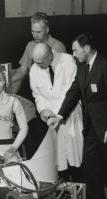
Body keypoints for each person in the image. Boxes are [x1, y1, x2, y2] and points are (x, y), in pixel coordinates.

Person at [48, 32, 107, 199]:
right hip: (91, 129)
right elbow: (73, 93)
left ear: (87, 48)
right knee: (90, 168)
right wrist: (59, 115)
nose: (73, 54)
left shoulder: (106, 66)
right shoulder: (82, 68)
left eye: (75, 50)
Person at [29, 43, 83, 182]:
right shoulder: (34, 69)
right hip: (51, 121)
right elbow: (37, 94)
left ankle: (82, 192)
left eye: (41, 62)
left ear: (49, 56)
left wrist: (58, 114)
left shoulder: (68, 61)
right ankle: (64, 194)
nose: (38, 66)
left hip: (70, 115)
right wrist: (43, 110)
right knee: (58, 161)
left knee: (76, 157)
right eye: (36, 62)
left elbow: (71, 92)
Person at [12, 12, 66, 94]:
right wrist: (6, 80)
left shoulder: (58, 47)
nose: (35, 35)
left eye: (39, 32)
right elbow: (22, 70)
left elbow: (63, 77)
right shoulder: (30, 46)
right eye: (32, 31)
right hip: (36, 92)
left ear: (47, 29)